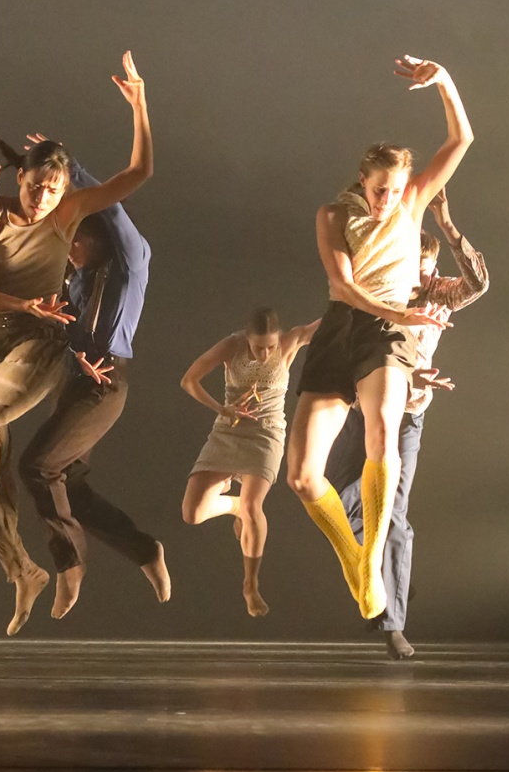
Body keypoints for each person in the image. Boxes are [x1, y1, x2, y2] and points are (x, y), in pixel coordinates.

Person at [0, 51, 155, 636]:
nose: (42, 198)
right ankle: (22, 569)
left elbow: (138, 173)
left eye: (53, 189)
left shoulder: (69, 212)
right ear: (21, 178)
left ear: (65, 188)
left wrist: (140, 104)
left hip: (40, 338)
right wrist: (19, 305)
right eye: (36, 186)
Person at [286, 55, 473, 620]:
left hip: (388, 332)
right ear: (363, 182)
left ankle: (369, 562)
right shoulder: (331, 215)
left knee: (382, 431)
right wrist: (403, 313)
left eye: (394, 190)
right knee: (301, 477)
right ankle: (355, 558)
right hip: (345, 325)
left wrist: (444, 80)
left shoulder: (412, 204)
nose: (386, 200)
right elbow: (344, 287)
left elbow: (461, 139)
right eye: (378, 190)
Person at [0, 140, 168, 619]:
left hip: (105, 384)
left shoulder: (128, 264)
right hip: (76, 381)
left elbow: (115, 210)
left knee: (38, 466)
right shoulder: (74, 278)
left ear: (97, 238)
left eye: (77, 240)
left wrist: (73, 168)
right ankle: (145, 550)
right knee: (72, 486)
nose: (70, 248)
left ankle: (70, 564)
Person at [325, 188, 488, 657]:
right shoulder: (381, 289)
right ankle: (383, 572)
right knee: (335, 491)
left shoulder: (437, 295)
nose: (423, 278)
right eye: (416, 268)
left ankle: (393, 623)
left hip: (407, 415)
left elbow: (477, 284)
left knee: (393, 511)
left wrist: (447, 224)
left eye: (428, 269)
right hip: (363, 408)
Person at [180, 308, 319, 617]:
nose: (265, 353)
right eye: (259, 347)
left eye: (271, 346)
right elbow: (189, 380)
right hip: (228, 431)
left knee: (253, 506)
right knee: (193, 513)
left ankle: (250, 586)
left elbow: (333, 318)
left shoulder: (291, 341)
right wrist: (222, 409)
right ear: (247, 338)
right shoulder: (232, 345)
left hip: (266, 434)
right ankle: (234, 507)